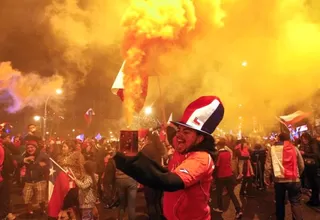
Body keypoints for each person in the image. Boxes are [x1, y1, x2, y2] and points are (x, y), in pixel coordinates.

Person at [113, 96, 225, 220]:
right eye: (179, 129)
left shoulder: (202, 158)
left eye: (186, 132)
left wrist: (131, 161)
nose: (179, 136)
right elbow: (171, 136)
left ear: (200, 138)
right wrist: (129, 151)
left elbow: (169, 182)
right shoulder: (183, 146)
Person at [264, 133, 304, 220]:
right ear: (289, 139)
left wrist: (266, 177)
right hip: (294, 180)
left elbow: (268, 166)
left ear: (278, 139)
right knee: (295, 202)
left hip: (279, 181)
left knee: (280, 202)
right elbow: (301, 165)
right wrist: (298, 174)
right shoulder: (295, 148)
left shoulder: (272, 149)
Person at [213, 138, 242, 219]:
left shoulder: (218, 154)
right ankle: (238, 210)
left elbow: (217, 165)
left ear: (219, 146)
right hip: (229, 175)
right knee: (232, 194)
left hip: (221, 176)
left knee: (219, 193)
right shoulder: (228, 153)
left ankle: (220, 208)